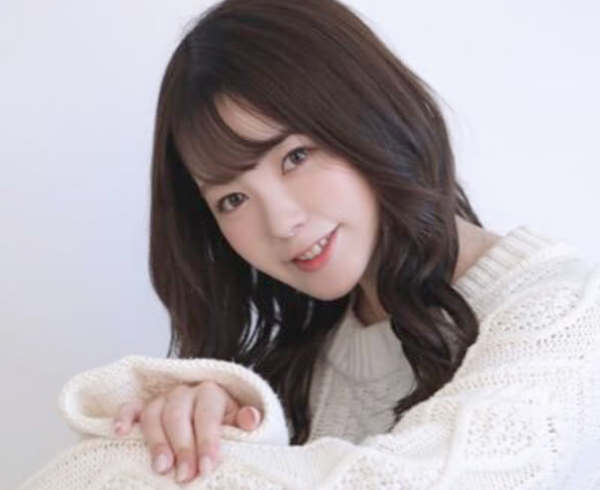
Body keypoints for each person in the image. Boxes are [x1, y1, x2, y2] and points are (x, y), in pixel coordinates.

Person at [17, 0, 600, 489]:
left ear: (372, 116)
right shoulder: (298, 366)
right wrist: (214, 429)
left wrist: (134, 463)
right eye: (232, 199)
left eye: (295, 156)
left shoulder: (564, 310)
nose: (281, 221)